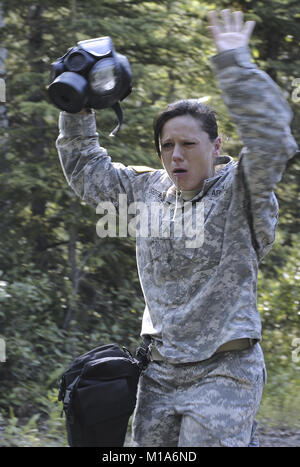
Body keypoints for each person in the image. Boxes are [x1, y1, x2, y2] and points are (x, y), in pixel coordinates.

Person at [56, 9, 298, 447]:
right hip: (160, 374)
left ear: (216, 145)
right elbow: (88, 171)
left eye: (189, 144)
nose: (176, 156)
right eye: (167, 146)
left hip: (225, 371)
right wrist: (80, 106)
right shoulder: (149, 189)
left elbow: (274, 140)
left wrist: (237, 64)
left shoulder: (243, 188)